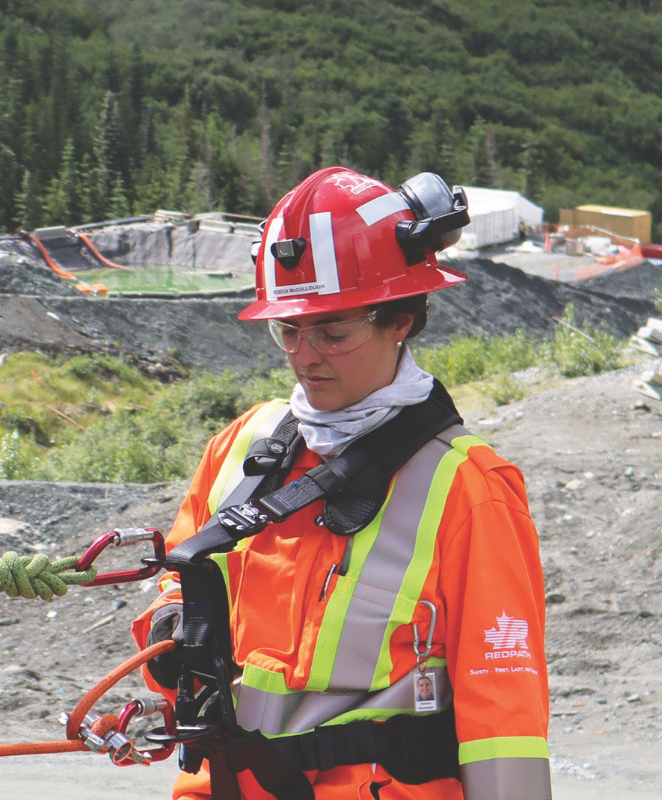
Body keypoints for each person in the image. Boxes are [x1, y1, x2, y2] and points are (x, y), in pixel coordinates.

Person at [130, 167, 550, 800]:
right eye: (288, 330)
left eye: (333, 331)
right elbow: (182, 576)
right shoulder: (243, 446)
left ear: (401, 319)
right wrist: (170, 626)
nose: (305, 354)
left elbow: (505, 710)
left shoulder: (467, 488)